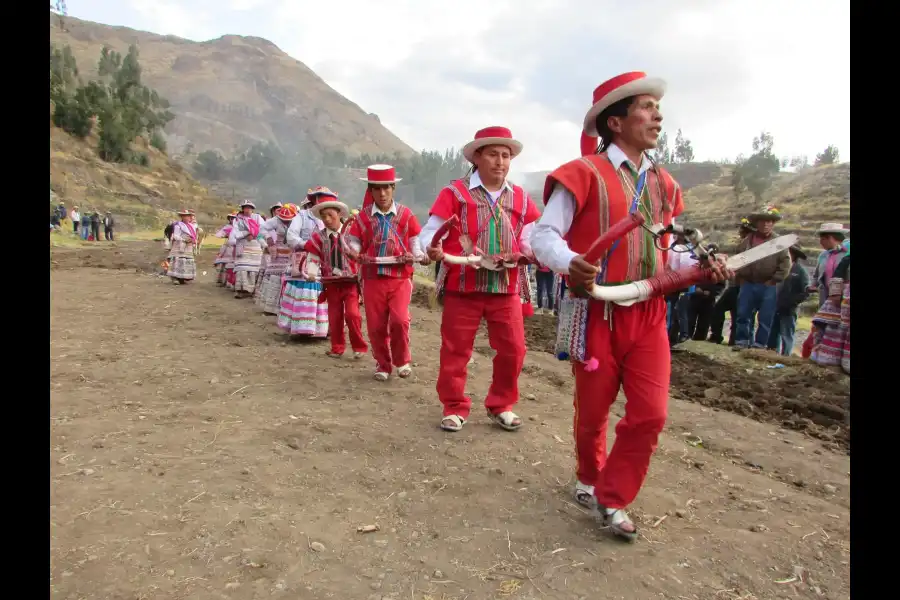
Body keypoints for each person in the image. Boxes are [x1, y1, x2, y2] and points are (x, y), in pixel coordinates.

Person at [531, 72, 731, 541]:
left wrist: (705, 264)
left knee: (652, 413)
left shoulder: (665, 183)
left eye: (657, 108)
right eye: (646, 106)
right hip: (594, 311)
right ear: (615, 122)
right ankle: (588, 475)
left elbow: (670, 250)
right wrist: (573, 262)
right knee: (594, 412)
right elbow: (542, 237)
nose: (657, 114)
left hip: (649, 312)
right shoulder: (581, 174)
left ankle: (612, 495)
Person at [422, 126, 539, 432]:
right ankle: (454, 406)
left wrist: (532, 253)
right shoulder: (454, 194)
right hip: (463, 286)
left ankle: (501, 404)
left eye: (505, 155)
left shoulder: (522, 199)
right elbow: (429, 232)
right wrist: (429, 249)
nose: (500, 161)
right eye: (493, 154)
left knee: (514, 349)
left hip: (506, 287)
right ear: (477, 157)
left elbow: (531, 237)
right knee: (456, 349)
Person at [345, 165, 425, 381]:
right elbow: (354, 241)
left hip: (399, 278)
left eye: (386, 188)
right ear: (370, 191)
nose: (382, 194)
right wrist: (355, 252)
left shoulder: (405, 215)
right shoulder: (363, 218)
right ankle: (383, 364)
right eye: (377, 189)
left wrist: (417, 254)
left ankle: (402, 360)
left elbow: (414, 240)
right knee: (376, 324)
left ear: (393, 189)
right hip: (372, 279)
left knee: (400, 320)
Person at [304, 198, 368, 359]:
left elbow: (362, 253)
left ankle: (359, 347)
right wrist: (311, 272)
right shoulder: (318, 238)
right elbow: (313, 257)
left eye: (330, 215)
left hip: (350, 282)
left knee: (353, 315)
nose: (327, 219)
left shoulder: (352, 234)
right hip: (331, 284)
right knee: (334, 316)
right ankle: (337, 347)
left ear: (339, 214)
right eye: (323, 216)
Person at [732, 206, 790, 350]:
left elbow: (785, 263)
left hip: (768, 284)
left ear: (773, 223)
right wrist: (740, 277)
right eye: (762, 221)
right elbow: (737, 258)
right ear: (757, 223)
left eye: (769, 221)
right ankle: (742, 342)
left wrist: (775, 279)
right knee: (743, 314)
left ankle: (760, 344)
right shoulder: (747, 241)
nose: (766, 224)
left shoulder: (779, 242)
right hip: (748, 283)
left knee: (765, 317)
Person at [278, 188, 332, 338]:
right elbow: (291, 236)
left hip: (324, 259)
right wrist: (306, 244)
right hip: (305, 257)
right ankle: (302, 327)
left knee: (324, 288)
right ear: (314, 199)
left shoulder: (329, 217)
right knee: (307, 286)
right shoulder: (302, 216)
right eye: (320, 198)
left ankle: (323, 328)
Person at [708, 219, 754, 345]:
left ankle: (733, 340)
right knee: (723, 310)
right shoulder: (743, 244)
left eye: (742, 229)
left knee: (737, 314)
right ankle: (719, 336)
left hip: (741, 286)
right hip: (734, 285)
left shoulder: (750, 246)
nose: (739, 232)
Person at [808, 252, 850, 373]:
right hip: (845, 297)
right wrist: (836, 293)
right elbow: (839, 272)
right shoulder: (848, 258)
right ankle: (832, 359)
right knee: (834, 325)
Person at [767, 244, 810, 356]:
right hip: (775, 306)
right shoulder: (777, 269)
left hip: (789, 309)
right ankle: (771, 354)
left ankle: (786, 356)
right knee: (773, 332)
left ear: (794, 255)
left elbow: (805, 292)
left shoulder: (800, 271)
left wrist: (792, 302)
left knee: (786, 334)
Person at [257, 204, 297, 315]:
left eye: (288, 220)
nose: (285, 222)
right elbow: (262, 228)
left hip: (292, 252)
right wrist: (268, 238)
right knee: (275, 278)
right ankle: (270, 307)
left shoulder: (297, 221)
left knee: (288, 278)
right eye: (283, 220)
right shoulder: (275, 220)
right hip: (278, 253)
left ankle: (285, 308)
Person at [228, 200, 266, 299]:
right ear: (243, 209)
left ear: (252, 209)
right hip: (243, 245)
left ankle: (251, 290)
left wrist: (254, 235)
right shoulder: (238, 220)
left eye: (249, 208)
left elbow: (263, 229)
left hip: (255, 245)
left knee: (253, 269)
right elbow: (235, 232)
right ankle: (241, 290)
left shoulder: (258, 218)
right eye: (245, 207)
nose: (247, 209)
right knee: (242, 268)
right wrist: (246, 234)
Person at [810, 223, 849, 308]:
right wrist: (813, 285)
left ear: (831, 238)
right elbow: (816, 275)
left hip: (844, 298)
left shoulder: (847, 254)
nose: (820, 242)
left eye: (823, 239)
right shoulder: (823, 255)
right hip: (825, 297)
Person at [166, 209, 198, 284]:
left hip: (188, 246)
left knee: (186, 261)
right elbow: (176, 235)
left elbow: (193, 236)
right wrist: (183, 239)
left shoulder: (192, 226)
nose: (187, 217)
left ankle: (183, 277)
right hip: (180, 244)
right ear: (182, 217)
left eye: (188, 216)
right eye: (185, 216)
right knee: (178, 260)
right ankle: (175, 278)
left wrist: (192, 241)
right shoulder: (178, 225)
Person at [213, 214, 237, 286]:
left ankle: (230, 281)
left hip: (235, 246)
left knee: (232, 265)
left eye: (234, 218)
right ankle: (222, 280)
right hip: (227, 247)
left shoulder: (239, 227)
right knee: (224, 264)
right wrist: (225, 235)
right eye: (231, 218)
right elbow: (218, 234)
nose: (233, 220)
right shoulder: (227, 227)